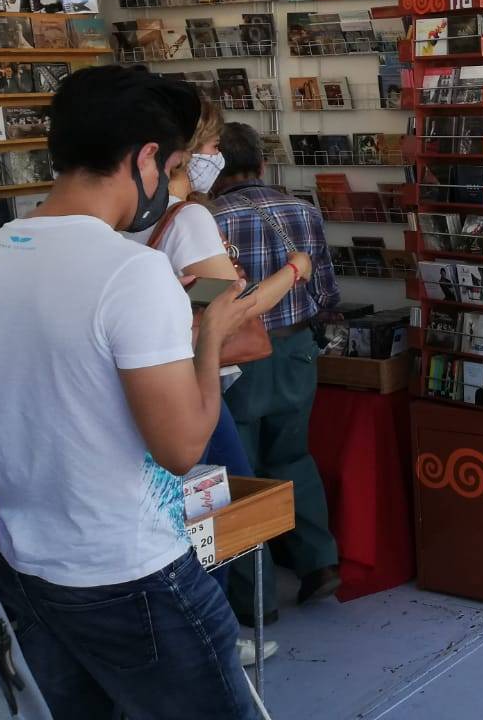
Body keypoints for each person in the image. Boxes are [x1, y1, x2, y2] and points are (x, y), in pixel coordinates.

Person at [0, 66, 266, 719]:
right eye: (174, 165)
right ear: (147, 159)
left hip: (23, 563)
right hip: (131, 568)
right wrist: (208, 334)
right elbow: (183, 446)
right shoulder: (130, 272)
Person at [123, 95, 307, 666]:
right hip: (192, 381)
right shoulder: (190, 217)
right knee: (222, 511)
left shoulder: (121, 220)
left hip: (137, 384)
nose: (213, 158)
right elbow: (233, 309)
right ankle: (221, 634)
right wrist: (293, 271)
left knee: (173, 508)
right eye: (207, 148)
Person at [211, 122, 343, 623]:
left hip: (236, 360)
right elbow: (326, 291)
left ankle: (256, 597)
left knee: (237, 476)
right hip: (296, 352)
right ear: (263, 164)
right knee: (292, 457)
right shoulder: (303, 211)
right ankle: (319, 561)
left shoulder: (209, 220)